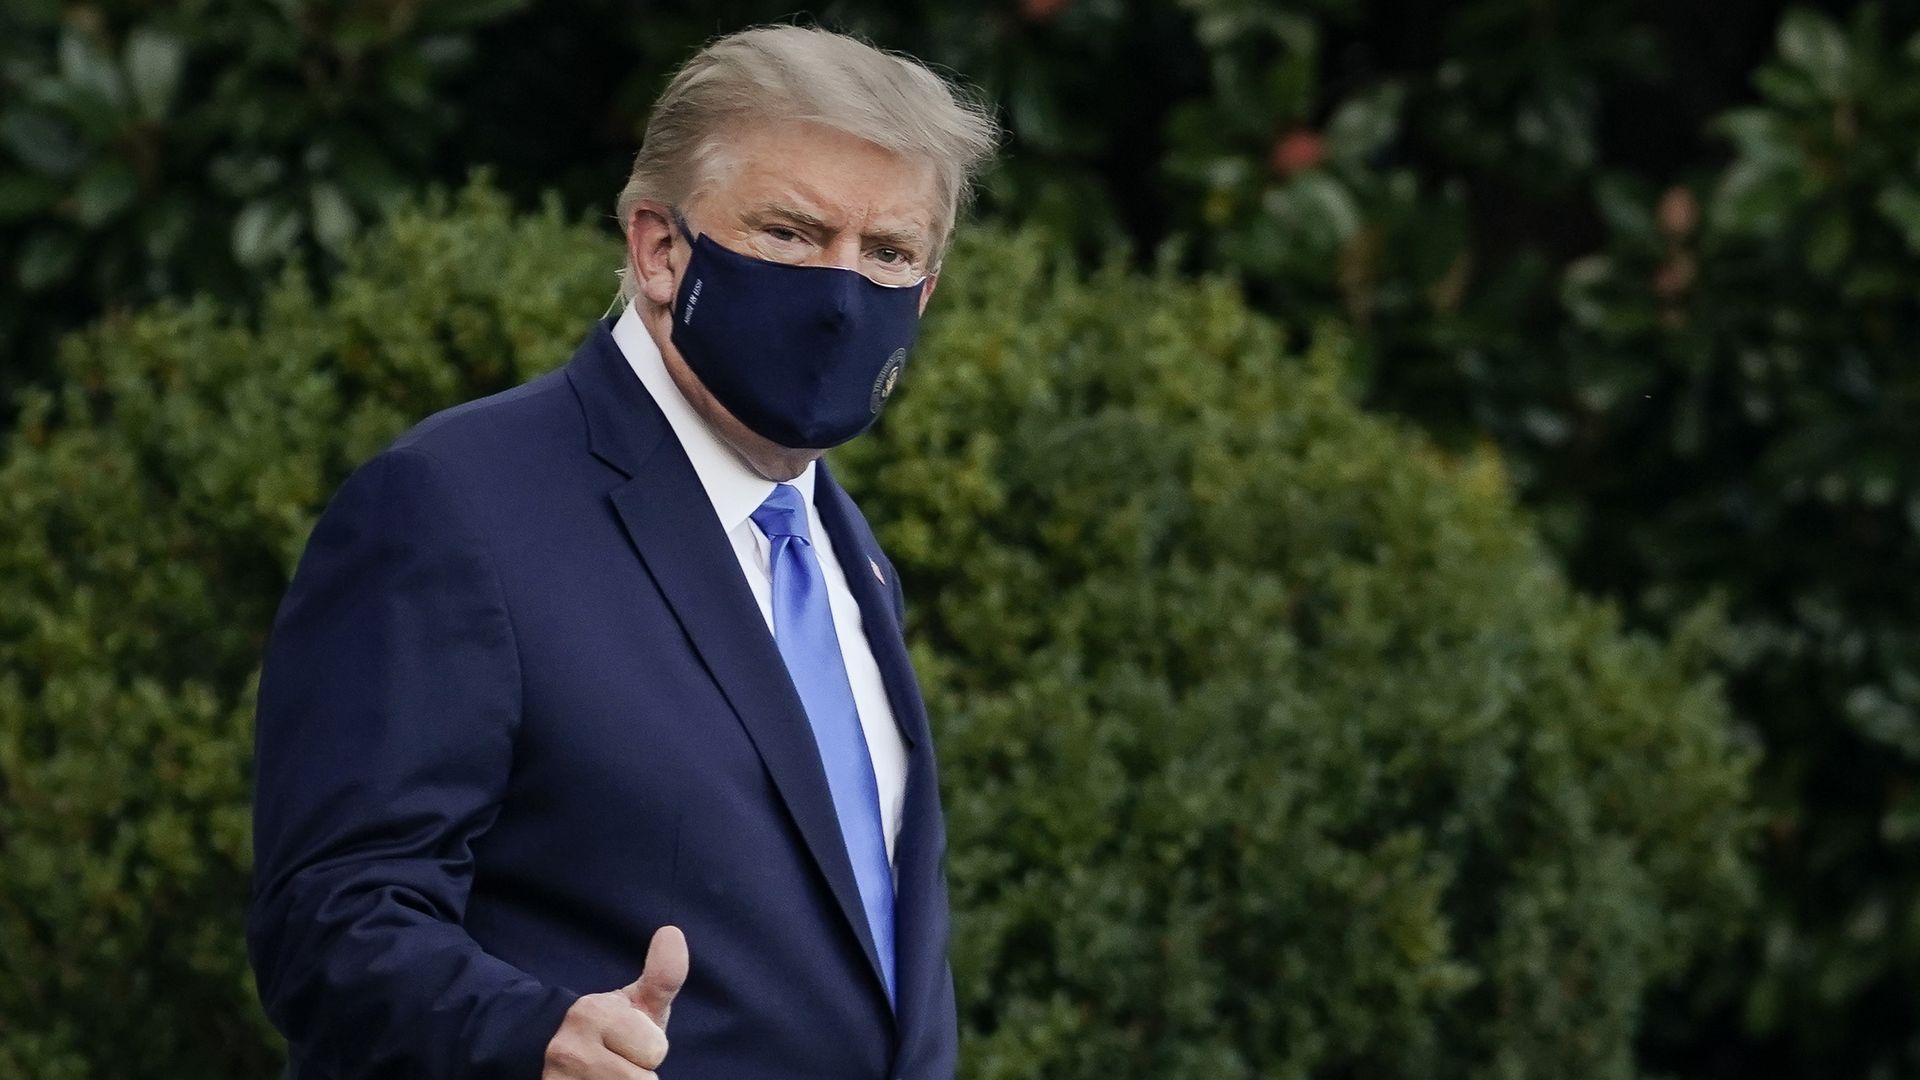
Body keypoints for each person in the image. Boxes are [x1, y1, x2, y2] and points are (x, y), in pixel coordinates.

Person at [246, 25, 998, 1079]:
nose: (841, 296)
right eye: (790, 233)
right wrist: (529, 1034)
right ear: (659, 250)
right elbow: (329, 921)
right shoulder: (454, 506)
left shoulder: (844, 550)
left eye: (887, 254)